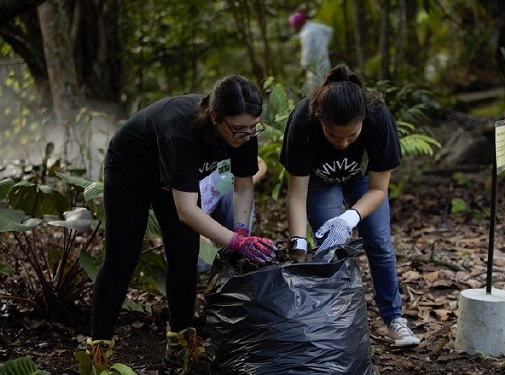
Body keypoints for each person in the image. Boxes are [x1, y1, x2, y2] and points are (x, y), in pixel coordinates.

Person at [86, 75, 276, 371]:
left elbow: (243, 185)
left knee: (185, 254)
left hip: (176, 181)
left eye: (253, 127)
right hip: (131, 172)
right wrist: (236, 242)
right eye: (239, 129)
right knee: (122, 258)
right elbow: (186, 210)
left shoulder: (245, 130)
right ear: (215, 116)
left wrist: (241, 229)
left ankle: (179, 343)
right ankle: (99, 351)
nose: (247, 136)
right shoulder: (181, 128)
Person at [279, 64, 421, 347]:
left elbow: (379, 188)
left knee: (379, 243)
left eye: (351, 136)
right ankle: (338, 323)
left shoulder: (378, 118)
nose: (343, 143)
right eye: (334, 136)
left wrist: (350, 217)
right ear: (320, 120)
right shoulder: (303, 121)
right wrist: (298, 242)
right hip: (320, 182)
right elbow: (296, 194)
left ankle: (393, 319)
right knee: (332, 250)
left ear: (363, 121)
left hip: (362, 179)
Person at [197, 156, 267, 272]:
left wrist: (243, 183)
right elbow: (182, 210)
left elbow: (260, 163)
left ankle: (239, 256)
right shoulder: (186, 158)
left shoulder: (223, 155)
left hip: (213, 210)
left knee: (240, 189)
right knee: (203, 262)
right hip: (188, 222)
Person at [289, 11, 334, 95]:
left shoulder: (305, 33)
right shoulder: (316, 26)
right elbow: (330, 31)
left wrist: (303, 67)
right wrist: (324, 47)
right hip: (325, 61)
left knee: (315, 92)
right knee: (326, 87)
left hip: (313, 66)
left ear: (298, 24)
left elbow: (307, 52)